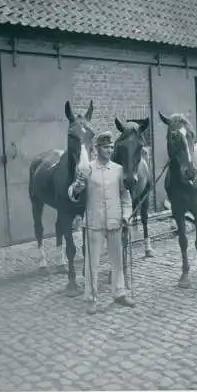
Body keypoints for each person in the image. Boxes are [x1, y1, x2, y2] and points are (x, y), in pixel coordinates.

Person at [68, 130, 135, 315]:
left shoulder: (118, 169)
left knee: (118, 261)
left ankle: (119, 293)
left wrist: (126, 215)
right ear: (97, 149)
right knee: (92, 264)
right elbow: (73, 192)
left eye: (112, 147)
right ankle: (90, 298)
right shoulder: (86, 168)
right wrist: (77, 188)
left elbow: (125, 196)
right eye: (106, 147)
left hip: (115, 222)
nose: (110, 150)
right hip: (94, 223)